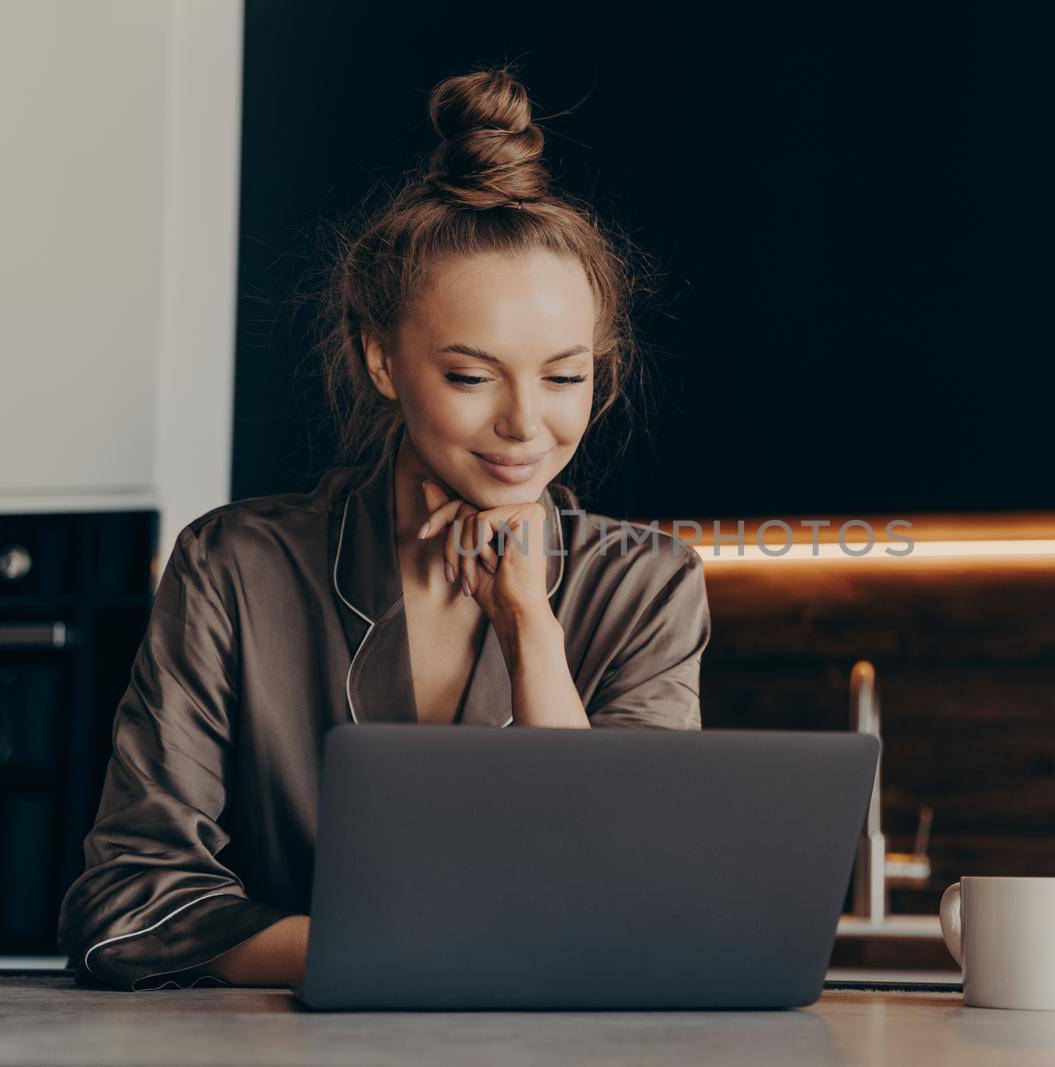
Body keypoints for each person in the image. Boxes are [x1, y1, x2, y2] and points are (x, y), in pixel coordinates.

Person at [55, 66, 710, 991]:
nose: (527, 424)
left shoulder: (649, 582)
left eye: (565, 377)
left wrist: (532, 627)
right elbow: (127, 908)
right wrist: (421, 956)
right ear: (381, 358)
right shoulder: (233, 566)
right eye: (472, 376)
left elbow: (630, 896)